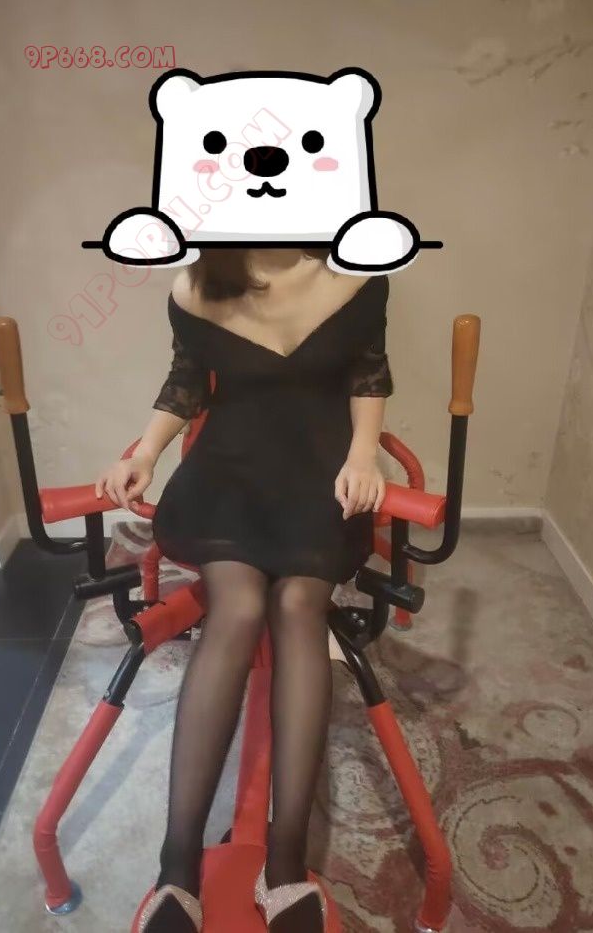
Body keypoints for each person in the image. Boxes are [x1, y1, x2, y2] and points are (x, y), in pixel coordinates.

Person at [95, 248, 394, 932]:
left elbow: (368, 372)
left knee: (298, 606)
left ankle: (285, 863)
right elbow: (186, 382)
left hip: (320, 471)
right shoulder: (194, 285)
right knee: (239, 605)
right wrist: (144, 452)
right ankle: (177, 866)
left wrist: (363, 454)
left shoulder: (359, 276)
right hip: (227, 472)